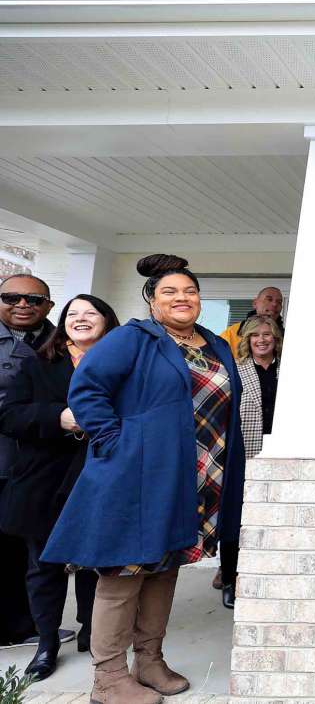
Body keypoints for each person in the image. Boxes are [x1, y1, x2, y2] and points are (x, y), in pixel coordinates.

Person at [43, 254, 246, 704]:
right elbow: (88, 389)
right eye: (169, 292)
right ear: (151, 300)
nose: (182, 298)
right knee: (123, 572)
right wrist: (116, 442)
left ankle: (149, 661)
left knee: (164, 566)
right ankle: (108, 678)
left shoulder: (215, 344)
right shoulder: (132, 339)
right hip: (138, 472)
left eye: (190, 291)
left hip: (195, 473)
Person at [0, 294, 119, 679]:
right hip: (44, 478)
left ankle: (90, 628)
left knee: (95, 561)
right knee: (44, 563)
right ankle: (47, 642)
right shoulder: (38, 362)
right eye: (73, 314)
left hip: (102, 473)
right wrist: (58, 417)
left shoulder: (124, 365)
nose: (80, 319)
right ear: (63, 322)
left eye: (90, 313)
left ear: (107, 321)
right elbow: (10, 415)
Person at [0, 274, 61, 649]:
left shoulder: (62, 341)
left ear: (48, 306)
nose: (23, 305)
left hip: (46, 464)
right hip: (3, 460)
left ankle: (29, 625)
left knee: (35, 553)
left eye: (34, 300)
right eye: (12, 297)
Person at [218, 315, 282, 609]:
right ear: (247, 340)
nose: (261, 339)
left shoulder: (289, 370)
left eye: (267, 334)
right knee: (237, 521)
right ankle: (231, 579)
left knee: (274, 520)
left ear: (276, 338)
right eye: (255, 335)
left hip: (282, 454)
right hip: (245, 454)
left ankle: (267, 575)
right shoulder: (237, 370)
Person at [218, 286, 284, 359]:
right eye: (269, 299)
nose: (275, 304)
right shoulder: (232, 333)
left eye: (279, 302)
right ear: (255, 303)